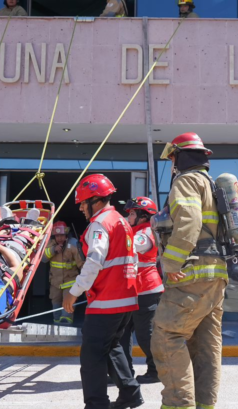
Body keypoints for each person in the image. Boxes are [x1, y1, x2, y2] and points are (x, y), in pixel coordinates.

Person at [151, 132, 228, 409]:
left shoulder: (186, 181)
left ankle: (178, 405)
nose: (171, 163)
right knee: (206, 348)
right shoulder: (210, 185)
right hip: (215, 277)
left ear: (178, 156)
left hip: (191, 274)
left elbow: (189, 222)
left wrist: (172, 264)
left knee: (167, 335)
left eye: (172, 158)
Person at [62, 174, 142, 409]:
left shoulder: (99, 224)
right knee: (111, 347)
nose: (81, 208)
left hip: (106, 301)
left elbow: (94, 261)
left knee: (92, 357)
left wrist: (74, 291)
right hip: (125, 299)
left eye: (83, 203)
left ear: (95, 200)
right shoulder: (121, 221)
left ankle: (96, 404)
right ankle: (130, 393)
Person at [118, 196, 163, 384]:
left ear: (144, 216)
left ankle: (156, 371)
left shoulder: (145, 233)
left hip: (147, 291)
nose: (129, 216)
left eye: (133, 213)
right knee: (122, 334)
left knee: (146, 335)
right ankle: (123, 372)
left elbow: (131, 247)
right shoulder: (135, 230)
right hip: (131, 291)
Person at [43, 221, 83, 325]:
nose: (60, 238)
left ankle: (66, 323)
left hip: (70, 282)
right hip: (55, 283)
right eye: (57, 236)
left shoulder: (73, 244)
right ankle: (57, 322)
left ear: (66, 235)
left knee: (67, 303)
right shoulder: (50, 244)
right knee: (55, 302)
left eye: (62, 235)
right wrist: (53, 250)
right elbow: (43, 258)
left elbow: (81, 264)